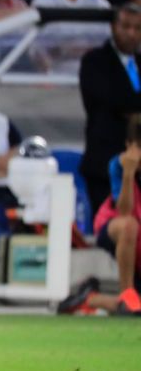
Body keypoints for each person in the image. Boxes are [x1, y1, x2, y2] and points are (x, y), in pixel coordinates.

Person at [60, 113, 141, 315]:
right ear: (130, 145)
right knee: (128, 225)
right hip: (116, 229)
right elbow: (123, 211)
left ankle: (90, 299)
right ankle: (127, 293)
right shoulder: (118, 165)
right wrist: (129, 174)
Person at [80, 4, 141, 214]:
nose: (131, 33)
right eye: (126, 26)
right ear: (114, 27)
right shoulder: (95, 61)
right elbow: (112, 100)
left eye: (137, 28)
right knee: (111, 222)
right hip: (104, 163)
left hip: (138, 164)